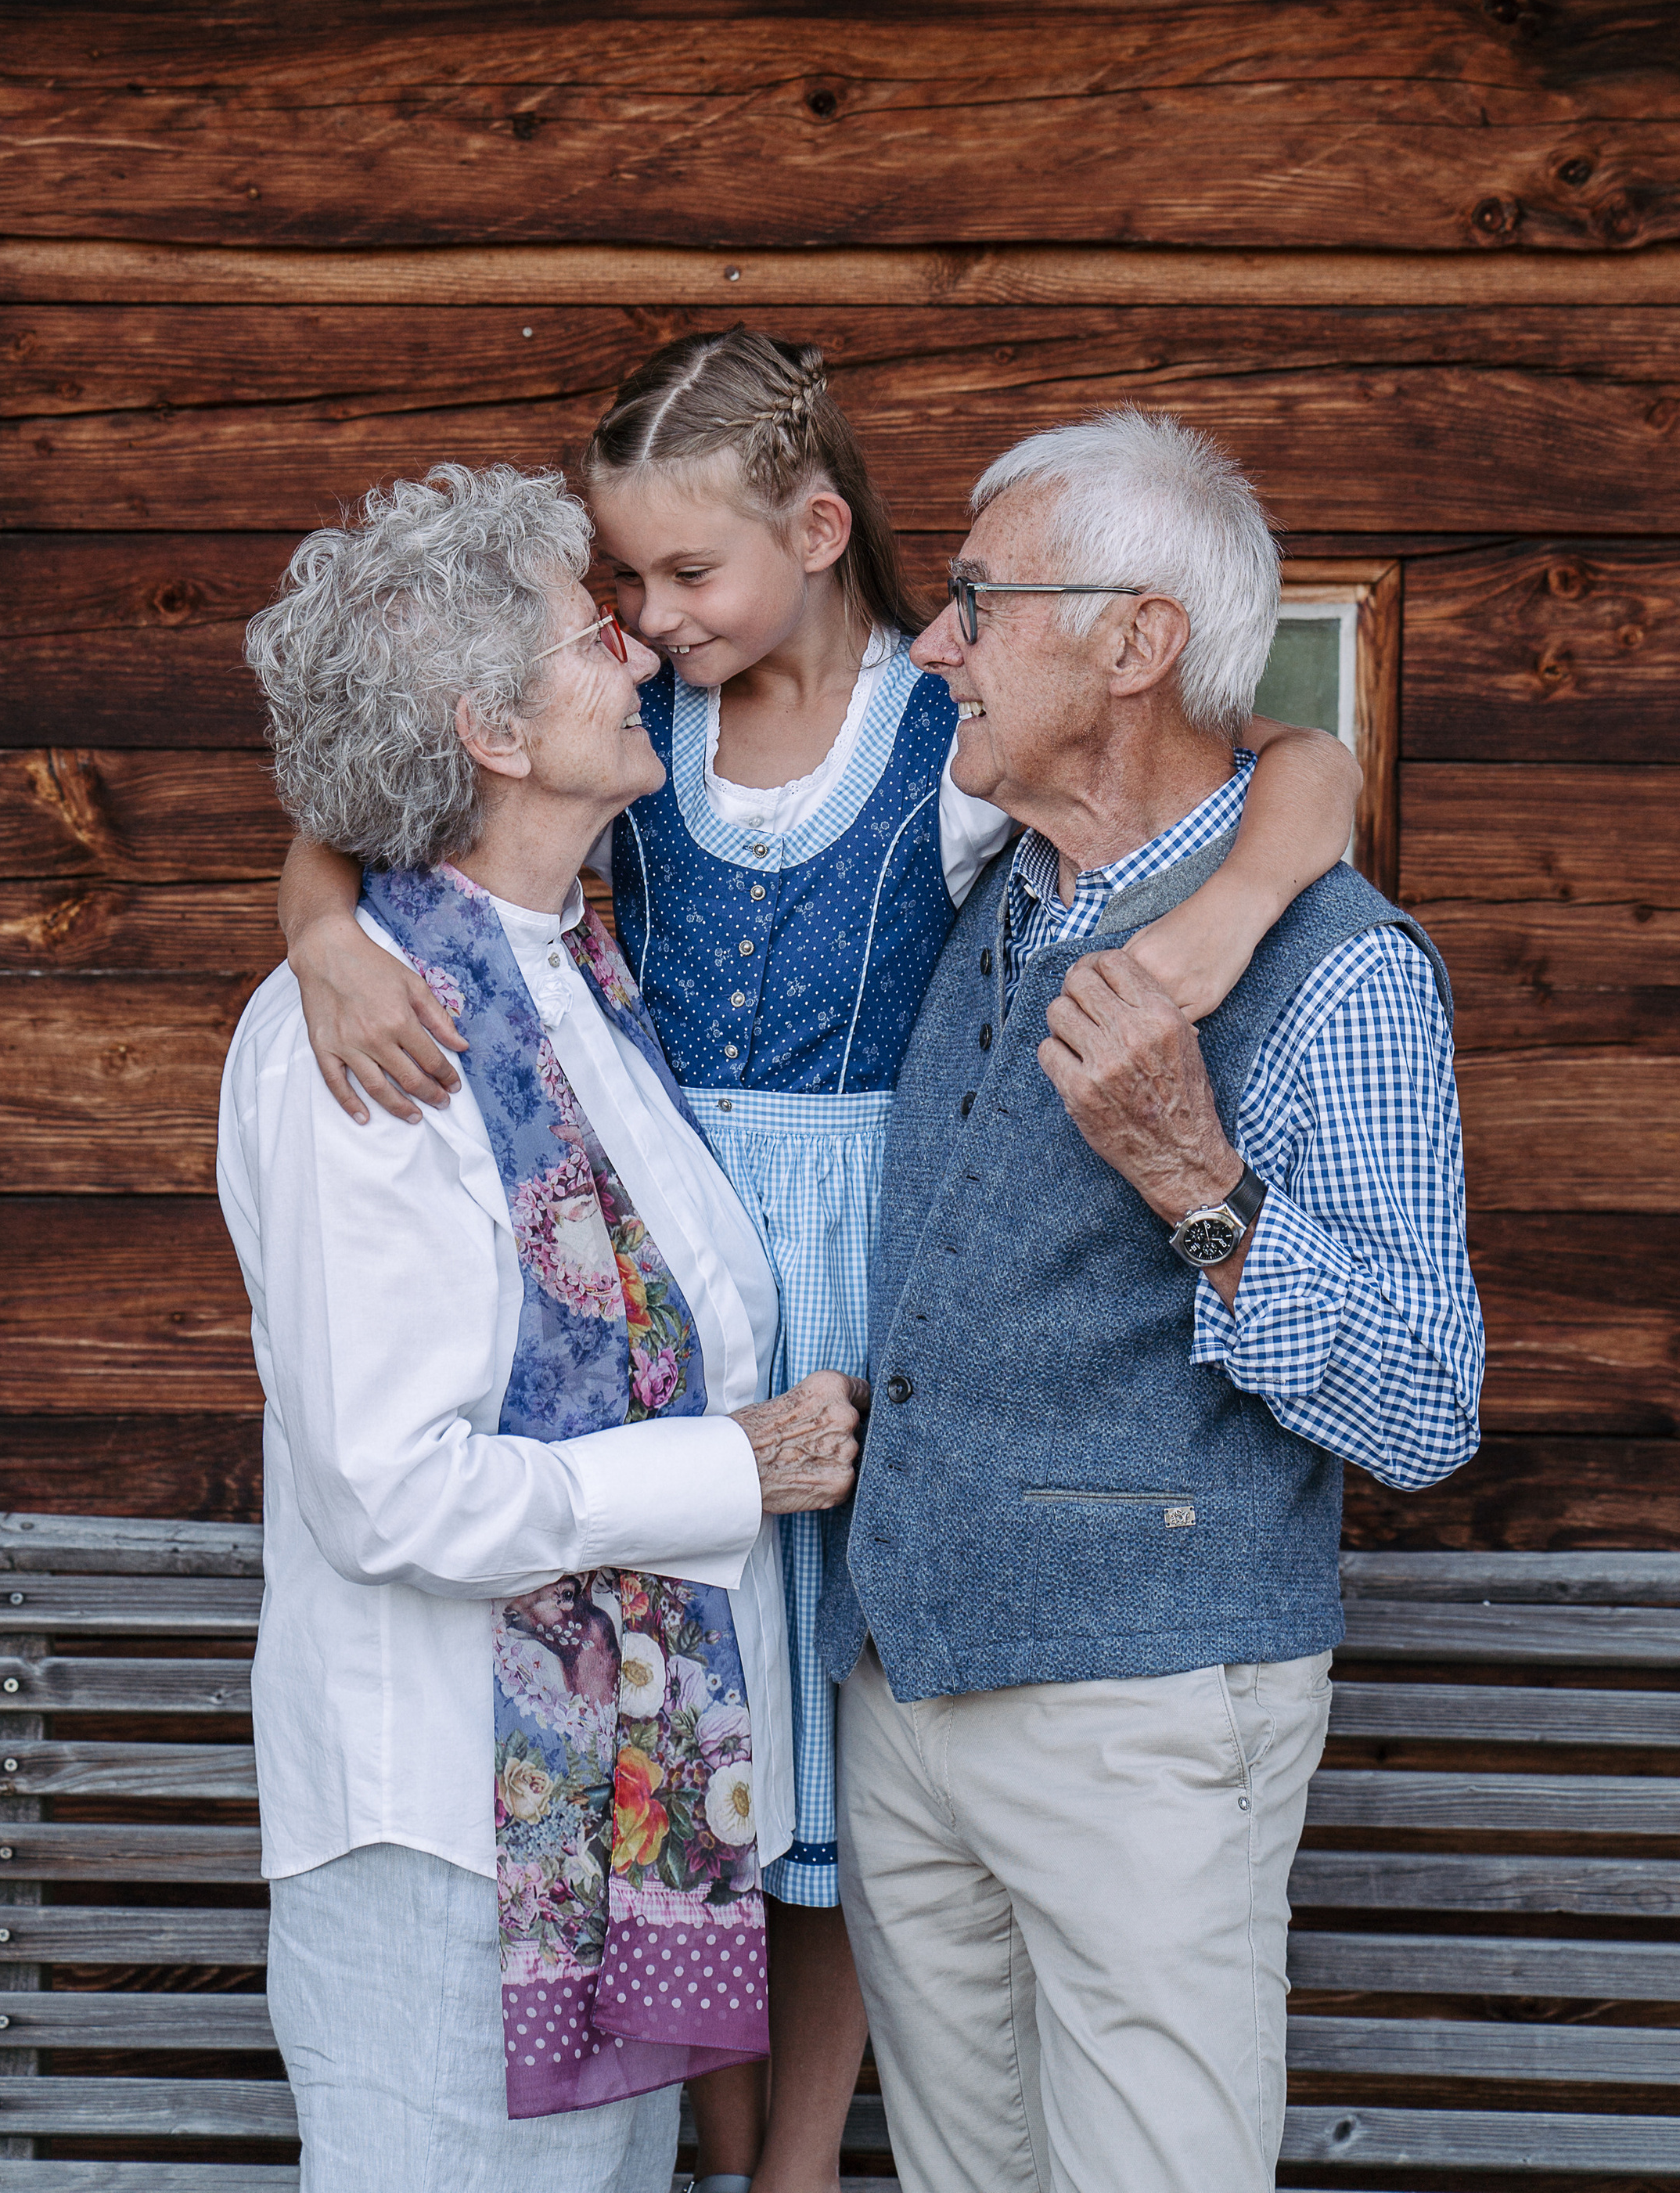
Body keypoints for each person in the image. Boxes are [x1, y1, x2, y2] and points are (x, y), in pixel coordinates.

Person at [274, 338, 1363, 2193]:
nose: (645, 622)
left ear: (815, 527)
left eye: (682, 579)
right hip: (654, 1223)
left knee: (837, 1745)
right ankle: (701, 2135)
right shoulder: (639, 748)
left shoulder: (934, 730)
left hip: (862, 1265)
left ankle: (788, 2159)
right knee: (708, 1693)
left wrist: (1238, 914)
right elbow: (374, 794)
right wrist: (316, 926)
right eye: (613, 594)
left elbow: (1299, 761)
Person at [815, 409, 1485, 2193]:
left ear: (1130, 643)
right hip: (909, 1687)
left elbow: (1425, 1405)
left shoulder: (1336, 975)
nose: (933, 644)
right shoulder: (987, 875)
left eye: (974, 603)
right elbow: (1291, 752)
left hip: (1145, 1705)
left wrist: (1196, 1186)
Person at [216, 460, 866, 2193]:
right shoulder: (366, 1040)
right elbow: (389, 1492)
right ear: (492, 729)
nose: (645, 653)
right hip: (448, 1833)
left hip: (594, 1819)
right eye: (598, 638)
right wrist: (727, 1469)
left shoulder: (569, 967)